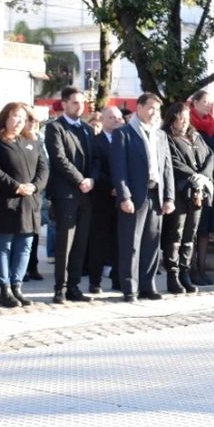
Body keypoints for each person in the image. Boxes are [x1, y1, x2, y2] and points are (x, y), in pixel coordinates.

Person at [0, 101, 47, 308]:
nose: (19, 121)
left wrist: (34, 187)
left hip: (29, 202)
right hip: (5, 201)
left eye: (23, 118)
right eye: (15, 116)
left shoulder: (31, 141)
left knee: (25, 246)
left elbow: (43, 169)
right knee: (5, 245)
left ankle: (17, 286)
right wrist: (16, 186)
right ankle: (5, 288)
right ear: (6, 117)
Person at [110, 93, 174, 302]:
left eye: (157, 109)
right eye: (151, 108)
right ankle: (130, 287)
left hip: (156, 194)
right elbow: (119, 170)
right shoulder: (124, 134)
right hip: (135, 195)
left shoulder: (161, 135)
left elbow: (167, 168)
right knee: (131, 243)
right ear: (139, 108)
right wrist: (124, 196)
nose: (154, 113)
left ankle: (148, 285)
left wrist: (169, 197)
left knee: (152, 242)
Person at [44, 87, 99, 303]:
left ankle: (74, 286)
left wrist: (92, 179)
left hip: (86, 193)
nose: (80, 106)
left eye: (82, 102)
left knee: (80, 242)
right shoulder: (55, 128)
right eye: (75, 102)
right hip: (66, 193)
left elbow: (96, 159)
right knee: (65, 241)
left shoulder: (87, 129)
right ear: (64, 104)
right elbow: (59, 159)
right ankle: (61, 287)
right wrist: (80, 180)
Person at [163, 102, 213, 294]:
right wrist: (193, 175)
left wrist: (203, 176)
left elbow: (209, 156)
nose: (184, 122)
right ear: (172, 119)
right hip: (180, 191)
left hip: (198, 192)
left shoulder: (196, 136)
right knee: (176, 234)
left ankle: (186, 272)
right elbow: (172, 161)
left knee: (190, 234)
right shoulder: (167, 138)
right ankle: (173, 276)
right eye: (180, 119)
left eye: (186, 118)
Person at [187, 90, 214, 287]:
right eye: (205, 102)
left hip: (210, 180)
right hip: (193, 182)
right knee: (191, 229)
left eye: (210, 103)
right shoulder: (188, 124)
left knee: (204, 230)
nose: (208, 106)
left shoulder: (213, 125)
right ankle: (191, 269)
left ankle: (201, 268)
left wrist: (213, 160)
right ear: (194, 103)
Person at [86, 105, 125, 291]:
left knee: (120, 241)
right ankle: (95, 281)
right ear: (102, 120)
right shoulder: (95, 141)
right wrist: (112, 186)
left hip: (123, 199)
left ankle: (118, 279)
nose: (116, 121)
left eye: (119, 118)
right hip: (102, 198)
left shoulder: (127, 140)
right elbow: (95, 169)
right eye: (111, 117)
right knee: (99, 241)